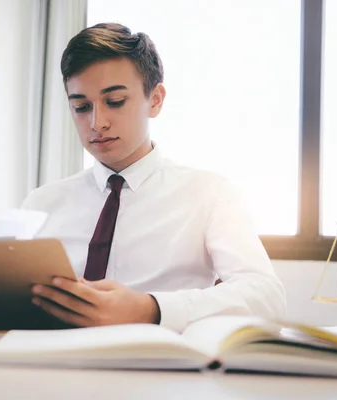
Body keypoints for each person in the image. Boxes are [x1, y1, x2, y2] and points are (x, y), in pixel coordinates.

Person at [20, 22, 286, 333]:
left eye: (115, 101)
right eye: (81, 107)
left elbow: (267, 296)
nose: (97, 123)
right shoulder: (41, 203)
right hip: (48, 368)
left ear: (155, 100)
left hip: (162, 371)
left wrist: (151, 308)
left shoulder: (208, 194)